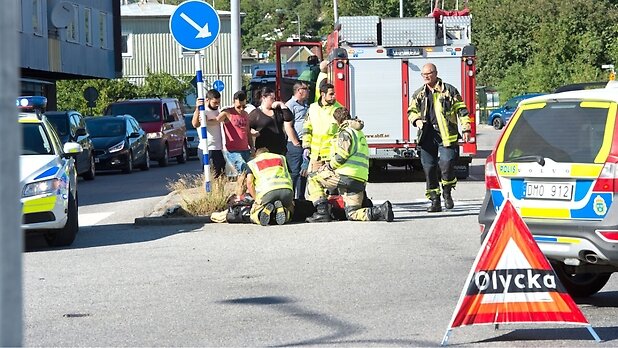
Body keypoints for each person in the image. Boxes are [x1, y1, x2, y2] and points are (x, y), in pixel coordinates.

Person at [305, 108, 394, 223]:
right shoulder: (358, 133)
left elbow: (342, 155)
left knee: (313, 178)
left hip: (346, 176)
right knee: (352, 213)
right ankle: (381, 211)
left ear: (338, 120)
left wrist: (328, 167)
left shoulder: (345, 132)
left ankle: (322, 212)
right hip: (359, 179)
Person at [408, 63, 471, 212]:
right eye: (423, 74)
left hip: (446, 135)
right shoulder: (419, 94)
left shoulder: (449, 90)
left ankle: (447, 192)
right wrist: (417, 121)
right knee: (429, 169)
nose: (426, 77)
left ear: (435, 73)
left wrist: (466, 128)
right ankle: (435, 201)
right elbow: (411, 111)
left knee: (447, 164)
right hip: (426, 136)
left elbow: (461, 110)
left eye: (428, 74)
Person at [246, 147, 295, 226]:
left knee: (253, 213)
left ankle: (260, 213)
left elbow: (249, 183)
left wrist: (257, 200)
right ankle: (286, 214)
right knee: (290, 208)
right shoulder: (281, 158)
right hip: (286, 191)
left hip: (267, 193)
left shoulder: (253, 162)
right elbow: (290, 177)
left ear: (256, 155)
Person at [302, 83, 343, 174]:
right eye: (331, 94)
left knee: (331, 184)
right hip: (316, 155)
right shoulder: (312, 108)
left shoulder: (339, 109)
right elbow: (307, 129)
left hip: (331, 157)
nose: (334, 96)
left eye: (334, 93)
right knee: (314, 183)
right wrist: (306, 146)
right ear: (323, 94)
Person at [216, 90, 254, 180]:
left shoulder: (246, 114)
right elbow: (216, 120)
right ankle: (241, 193)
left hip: (246, 149)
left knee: (252, 172)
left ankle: (245, 192)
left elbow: (247, 132)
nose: (241, 109)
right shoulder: (227, 113)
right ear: (233, 102)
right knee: (244, 170)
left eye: (243, 107)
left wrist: (252, 147)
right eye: (238, 107)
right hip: (233, 150)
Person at [249, 87, 293, 156]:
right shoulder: (256, 114)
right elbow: (246, 128)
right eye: (271, 98)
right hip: (264, 150)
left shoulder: (277, 110)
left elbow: (289, 117)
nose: (274, 101)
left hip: (280, 148)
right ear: (264, 98)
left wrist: (282, 105)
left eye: (274, 98)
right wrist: (252, 133)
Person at [284, 81, 310, 199]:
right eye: (306, 89)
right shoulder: (290, 105)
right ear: (299, 90)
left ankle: (301, 198)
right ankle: (291, 199)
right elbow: (288, 126)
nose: (308, 91)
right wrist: (295, 142)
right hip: (295, 143)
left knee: (303, 173)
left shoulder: (305, 105)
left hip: (305, 143)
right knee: (294, 173)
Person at [192, 89, 226, 177]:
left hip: (218, 148)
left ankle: (218, 191)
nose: (217, 104)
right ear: (207, 100)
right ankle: (208, 190)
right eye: (215, 102)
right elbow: (195, 124)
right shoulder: (203, 111)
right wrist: (197, 108)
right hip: (207, 148)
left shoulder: (219, 111)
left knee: (221, 175)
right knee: (209, 175)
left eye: (219, 102)